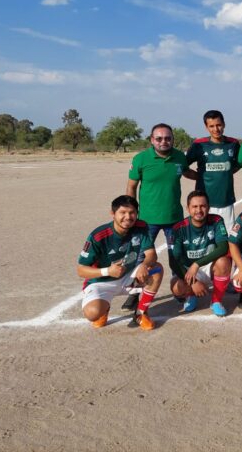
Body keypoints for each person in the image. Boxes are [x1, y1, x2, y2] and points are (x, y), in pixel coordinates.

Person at [125, 123, 188, 309]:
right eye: (159, 138)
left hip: (174, 219)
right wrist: (130, 212)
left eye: (167, 138)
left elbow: (187, 172)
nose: (163, 141)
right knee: (140, 258)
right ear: (152, 140)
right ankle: (135, 294)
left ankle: (179, 290)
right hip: (146, 221)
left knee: (176, 257)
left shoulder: (179, 157)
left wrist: (207, 176)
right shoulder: (141, 159)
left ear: (172, 140)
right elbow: (131, 186)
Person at [77, 195, 163, 330]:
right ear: (113, 214)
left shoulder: (141, 226)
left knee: (157, 269)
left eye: (132, 212)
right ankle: (103, 310)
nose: (128, 217)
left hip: (128, 277)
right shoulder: (98, 236)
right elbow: (81, 270)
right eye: (122, 213)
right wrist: (107, 271)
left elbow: (151, 254)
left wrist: (144, 265)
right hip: (101, 282)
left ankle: (140, 313)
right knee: (92, 314)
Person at [170, 190, 232, 317]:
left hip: (209, 266)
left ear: (208, 207)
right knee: (176, 287)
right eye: (194, 207)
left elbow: (223, 248)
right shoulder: (179, 228)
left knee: (224, 262)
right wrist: (193, 283)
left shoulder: (216, 220)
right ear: (188, 208)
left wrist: (197, 264)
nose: (199, 210)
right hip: (190, 271)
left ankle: (216, 301)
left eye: (203, 206)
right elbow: (173, 259)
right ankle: (190, 295)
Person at [184, 110, 241, 230]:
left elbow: (237, 165)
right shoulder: (198, 145)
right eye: (211, 126)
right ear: (206, 127)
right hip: (203, 202)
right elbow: (184, 168)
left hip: (225, 200)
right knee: (205, 238)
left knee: (228, 236)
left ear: (224, 124)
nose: (216, 129)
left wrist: (224, 172)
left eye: (219, 125)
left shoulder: (233, 144)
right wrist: (199, 176)